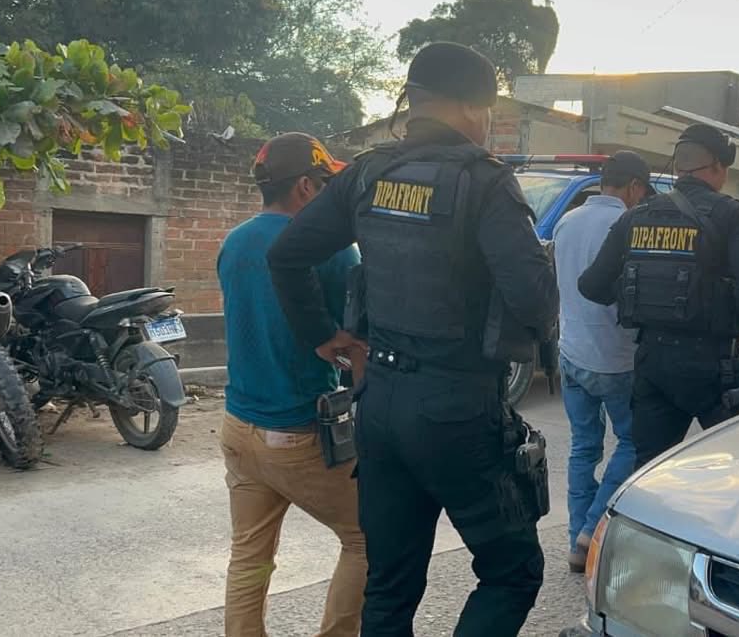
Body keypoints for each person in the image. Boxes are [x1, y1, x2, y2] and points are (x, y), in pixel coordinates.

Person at [267, 41, 558, 636]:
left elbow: (286, 254)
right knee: (512, 571)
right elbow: (534, 301)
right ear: (473, 107)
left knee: (389, 586)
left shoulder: (368, 172)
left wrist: (323, 335)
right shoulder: (485, 181)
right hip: (458, 408)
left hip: (378, 404)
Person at [216, 132, 365, 637]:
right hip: (298, 432)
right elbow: (356, 337)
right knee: (367, 538)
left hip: (238, 427)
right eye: (325, 184)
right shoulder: (331, 250)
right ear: (305, 186)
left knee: (250, 555)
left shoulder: (234, 242)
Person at [578, 123, 739, 470]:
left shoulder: (636, 216)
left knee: (649, 472)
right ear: (717, 167)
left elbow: (591, 285)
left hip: (653, 363)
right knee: (738, 470)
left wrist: (638, 297)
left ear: (679, 167)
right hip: (714, 367)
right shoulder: (732, 216)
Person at [553, 151, 654, 573]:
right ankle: (591, 529)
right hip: (617, 357)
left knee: (583, 446)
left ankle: (576, 538)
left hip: (571, 351)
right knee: (632, 441)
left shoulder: (566, 221)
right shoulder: (629, 225)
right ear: (634, 186)